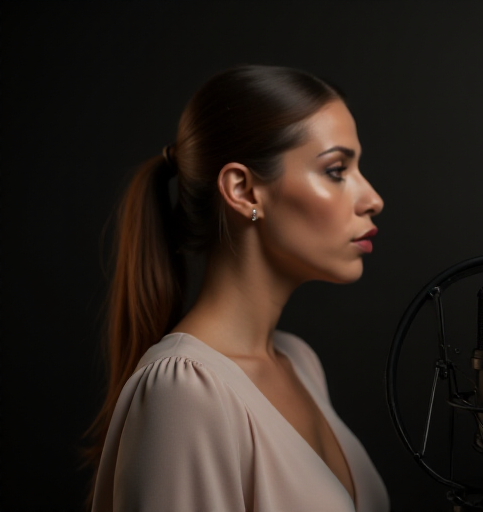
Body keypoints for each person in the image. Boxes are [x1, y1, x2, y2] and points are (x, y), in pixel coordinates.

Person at [86, 65, 389, 511]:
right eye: (336, 170)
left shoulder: (300, 363)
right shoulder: (185, 391)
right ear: (244, 190)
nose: (373, 199)